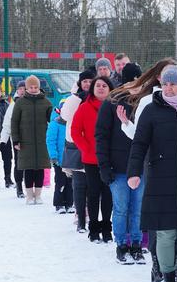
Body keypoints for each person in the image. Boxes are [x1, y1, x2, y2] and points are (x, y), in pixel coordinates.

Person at [127, 65, 177, 282]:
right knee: (166, 234)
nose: (168, 88)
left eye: (173, 83)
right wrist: (134, 172)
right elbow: (139, 144)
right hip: (160, 179)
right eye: (165, 83)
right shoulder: (151, 110)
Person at [95, 62, 146, 263]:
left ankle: (136, 244)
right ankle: (121, 245)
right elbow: (101, 135)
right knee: (121, 207)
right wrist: (104, 166)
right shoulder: (112, 102)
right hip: (118, 167)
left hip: (140, 167)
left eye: (138, 80)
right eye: (131, 80)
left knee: (138, 208)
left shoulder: (146, 101)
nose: (134, 84)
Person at [72, 75, 115, 242]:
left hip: (111, 159)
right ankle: (94, 229)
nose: (101, 88)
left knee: (108, 194)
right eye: (98, 85)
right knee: (93, 193)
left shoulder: (114, 106)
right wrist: (86, 148)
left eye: (105, 85)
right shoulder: (84, 107)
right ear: (92, 88)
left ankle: (106, 228)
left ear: (110, 89)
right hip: (91, 159)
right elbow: (75, 131)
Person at [11, 75, 53, 204]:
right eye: (31, 87)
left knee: (40, 168)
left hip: (42, 141)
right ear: (26, 88)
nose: (33, 89)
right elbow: (14, 121)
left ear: (39, 88)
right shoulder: (20, 102)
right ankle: (29, 196)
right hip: (25, 142)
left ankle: (38, 195)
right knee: (28, 169)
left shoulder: (46, 102)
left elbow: (52, 120)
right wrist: (16, 140)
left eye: (36, 87)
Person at [61, 69, 94, 231]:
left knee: (93, 186)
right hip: (76, 145)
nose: (87, 84)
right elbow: (65, 116)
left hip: (94, 147)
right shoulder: (74, 99)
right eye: (84, 81)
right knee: (79, 185)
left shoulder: (99, 98)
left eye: (90, 81)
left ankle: (91, 215)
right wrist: (74, 97)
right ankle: (81, 218)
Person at [46, 100, 74, 214]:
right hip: (59, 160)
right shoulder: (55, 123)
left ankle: (69, 203)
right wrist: (53, 156)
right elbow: (50, 141)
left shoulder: (72, 123)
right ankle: (59, 203)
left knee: (71, 182)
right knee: (60, 181)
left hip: (71, 159)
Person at [0, 81, 26, 198]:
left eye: (24, 88)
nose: (22, 91)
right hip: (18, 139)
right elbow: (7, 123)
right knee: (19, 163)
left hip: (31, 138)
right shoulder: (14, 104)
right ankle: (19, 187)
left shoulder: (32, 101)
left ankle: (32, 188)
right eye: (20, 89)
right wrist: (3, 139)